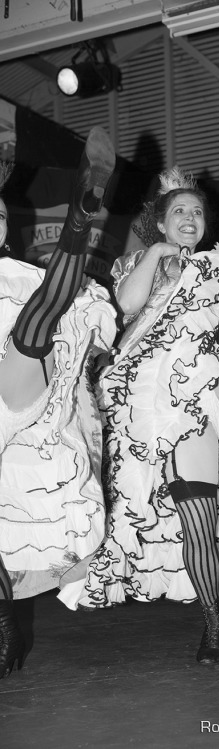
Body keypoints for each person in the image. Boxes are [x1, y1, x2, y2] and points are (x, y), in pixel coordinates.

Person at [63, 120, 219, 664]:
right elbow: (125, 308)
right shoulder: (142, 261)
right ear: (160, 219)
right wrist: (156, 255)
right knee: (198, 520)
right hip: (174, 405)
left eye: (197, 212)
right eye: (179, 211)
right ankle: (213, 620)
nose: (190, 218)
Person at [0, 127, 116, 678]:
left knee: (40, 316)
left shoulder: (18, 278)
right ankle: (4, 621)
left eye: (1, 218)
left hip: (16, 388)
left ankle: (81, 214)